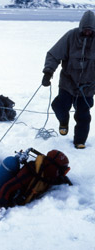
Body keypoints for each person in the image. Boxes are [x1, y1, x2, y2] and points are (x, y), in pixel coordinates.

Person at [42, 10, 95, 149]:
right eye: (85, 29)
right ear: (81, 27)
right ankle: (64, 121)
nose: (88, 32)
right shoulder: (71, 36)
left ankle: (80, 141)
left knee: (83, 115)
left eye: (91, 30)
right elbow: (54, 54)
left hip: (88, 87)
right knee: (59, 106)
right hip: (68, 82)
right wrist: (48, 72)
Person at [0, 148, 72, 209]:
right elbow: (7, 187)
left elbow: (54, 179)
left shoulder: (47, 174)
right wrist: (1, 206)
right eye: (61, 170)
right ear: (52, 166)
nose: (61, 174)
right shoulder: (30, 172)